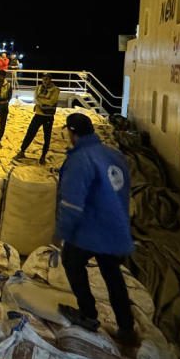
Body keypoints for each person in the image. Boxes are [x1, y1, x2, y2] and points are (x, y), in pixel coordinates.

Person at [56, 113, 138, 347]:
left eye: (68, 133)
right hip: (115, 227)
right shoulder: (115, 155)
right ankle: (126, 328)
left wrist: (62, 231)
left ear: (73, 133)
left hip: (91, 228)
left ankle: (88, 314)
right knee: (113, 275)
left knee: (71, 261)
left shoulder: (80, 159)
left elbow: (72, 203)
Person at [15, 72, 60, 165]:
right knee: (30, 132)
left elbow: (52, 101)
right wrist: (43, 102)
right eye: (43, 78)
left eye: (46, 78)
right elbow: (35, 99)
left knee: (47, 137)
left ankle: (43, 156)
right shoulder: (39, 88)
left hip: (48, 116)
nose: (44, 80)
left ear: (50, 79)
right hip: (38, 114)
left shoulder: (55, 90)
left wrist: (40, 101)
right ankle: (22, 151)